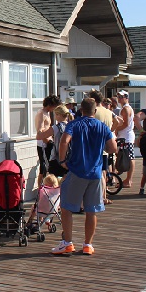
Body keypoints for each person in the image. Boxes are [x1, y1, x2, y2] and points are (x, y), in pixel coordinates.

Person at [51, 98, 116, 255]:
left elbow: (64, 141)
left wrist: (62, 160)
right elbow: (113, 148)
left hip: (77, 170)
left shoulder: (74, 124)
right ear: (95, 111)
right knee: (91, 210)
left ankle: (67, 242)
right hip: (95, 173)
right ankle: (88, 244)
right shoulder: (102, 126)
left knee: (66, 208)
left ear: (81, 110)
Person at [90, 90, 121, 205]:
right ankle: (103, 197)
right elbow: (118, 121)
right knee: (103, 172)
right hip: (105, 145)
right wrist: (111, 131)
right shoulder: (108, 112)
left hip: (93, 146)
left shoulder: (93, 112)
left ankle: (97, 198)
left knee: (96, 173)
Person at [34, 95, 62, 188]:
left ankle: (48, 188)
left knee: (49, 166)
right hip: (43, 144)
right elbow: (40, 130)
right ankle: (41, 189)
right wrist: (47, 142)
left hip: (48, 142)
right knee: (44, 167)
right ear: (50, 104)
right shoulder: (41, 113)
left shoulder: (47, 113)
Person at [114, 90, 135, 188]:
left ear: (126, 97)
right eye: (118, 97)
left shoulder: (126, 109)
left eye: (122, 97)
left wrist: (116, 129)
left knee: (129, 157)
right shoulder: (125, 108)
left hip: (126, 136)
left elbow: (126, 124)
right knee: (125, 156)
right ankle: (127, 178)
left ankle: (128, 180)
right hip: (125, 135)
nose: (119, 99)